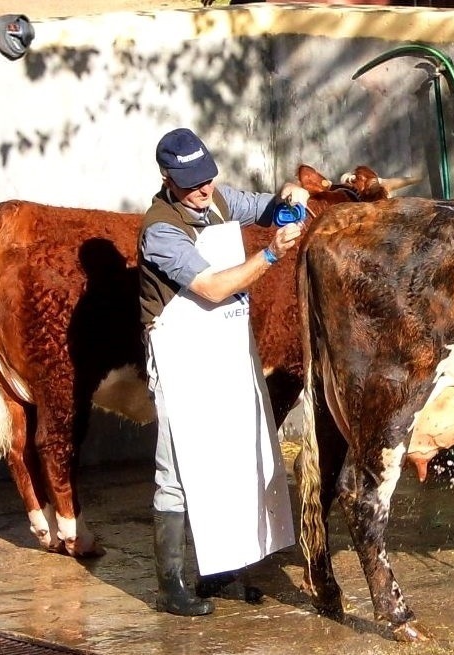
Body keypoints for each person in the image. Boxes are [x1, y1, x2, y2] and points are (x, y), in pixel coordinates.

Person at [138, 127, 307, 616]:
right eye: (191, 183)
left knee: (231, 458)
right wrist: (271, 253)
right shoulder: (160, 231)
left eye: (207, 178)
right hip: (181, 357)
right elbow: (212, 288)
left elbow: (265, 207)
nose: (203, 189)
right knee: (176, 470)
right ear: (167, 179)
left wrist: (289, 196)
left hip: (226, 349)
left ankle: (220, 571)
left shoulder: (218, 199)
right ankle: (171, 585)